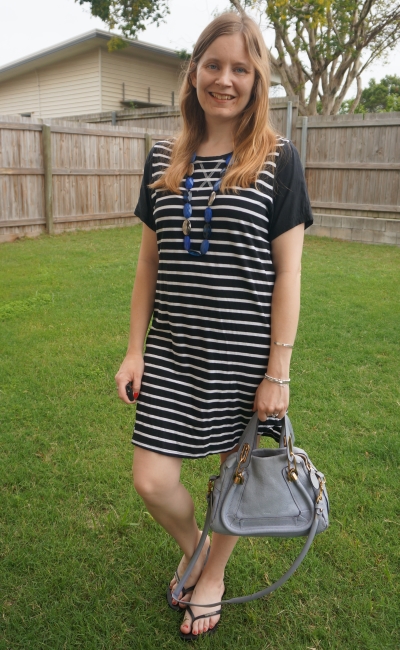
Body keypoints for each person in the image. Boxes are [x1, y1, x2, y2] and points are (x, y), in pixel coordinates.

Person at [115, 10, 313, 641]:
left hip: (243, 354)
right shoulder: (161, 159)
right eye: (213, 65)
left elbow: (289, 276)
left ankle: (214, 576)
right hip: (172, 349)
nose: (224, 79)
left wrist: (277, 372)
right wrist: (133, 351)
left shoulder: (278, 160)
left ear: (256, 81)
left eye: (240, 69)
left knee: (236, 475)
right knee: (152, 478)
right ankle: (198, 547)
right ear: (194, 71)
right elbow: (149, 263)